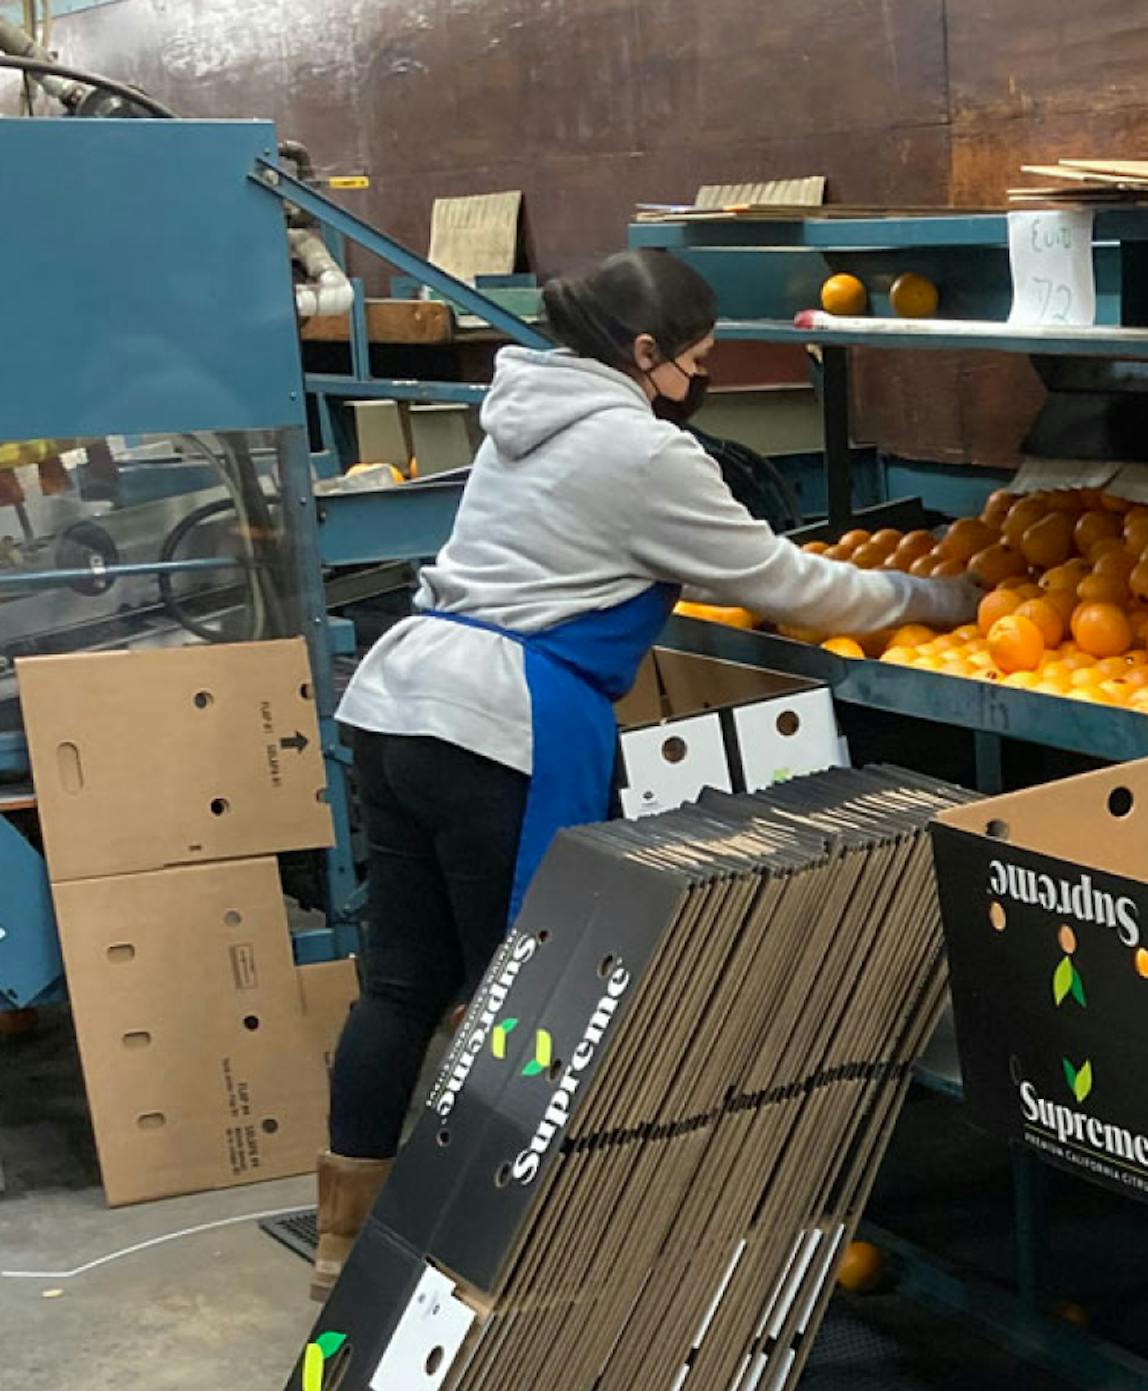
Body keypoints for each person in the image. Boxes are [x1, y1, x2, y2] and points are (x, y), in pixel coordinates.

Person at [312, 248, 975, 1299]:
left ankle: (345, 1243)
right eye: (701, 361)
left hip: (400, 702)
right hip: (499, 723)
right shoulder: (640, 452)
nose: (706, 380)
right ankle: (494, 1250)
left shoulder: (527, 412)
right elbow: (783, 581)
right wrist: (930, 599)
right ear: (648, 353)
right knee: (528, 998)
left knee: (400, 986)